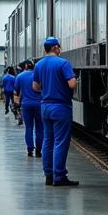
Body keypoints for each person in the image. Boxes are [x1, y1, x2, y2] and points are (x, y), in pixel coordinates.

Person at [32, 37, 78, 187]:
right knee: (60, 142)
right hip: (61, 107)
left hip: (45, 107)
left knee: (48, 141)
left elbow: (35, 87)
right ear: (56, 47)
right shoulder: (63, 63)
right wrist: (75, 80)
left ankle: (48, 175)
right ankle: (59, 176)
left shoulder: (38, 65)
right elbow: (71, 84)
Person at [13, 59, 43, 158]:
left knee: (29, 128)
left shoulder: (20, 76)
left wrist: (17, 104)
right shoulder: (38, 75)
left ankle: (30, 149)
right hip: (39, 104)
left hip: (26, 105)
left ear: (26, 66)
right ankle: (39, 150)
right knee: (40, 128)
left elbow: (16, 91)